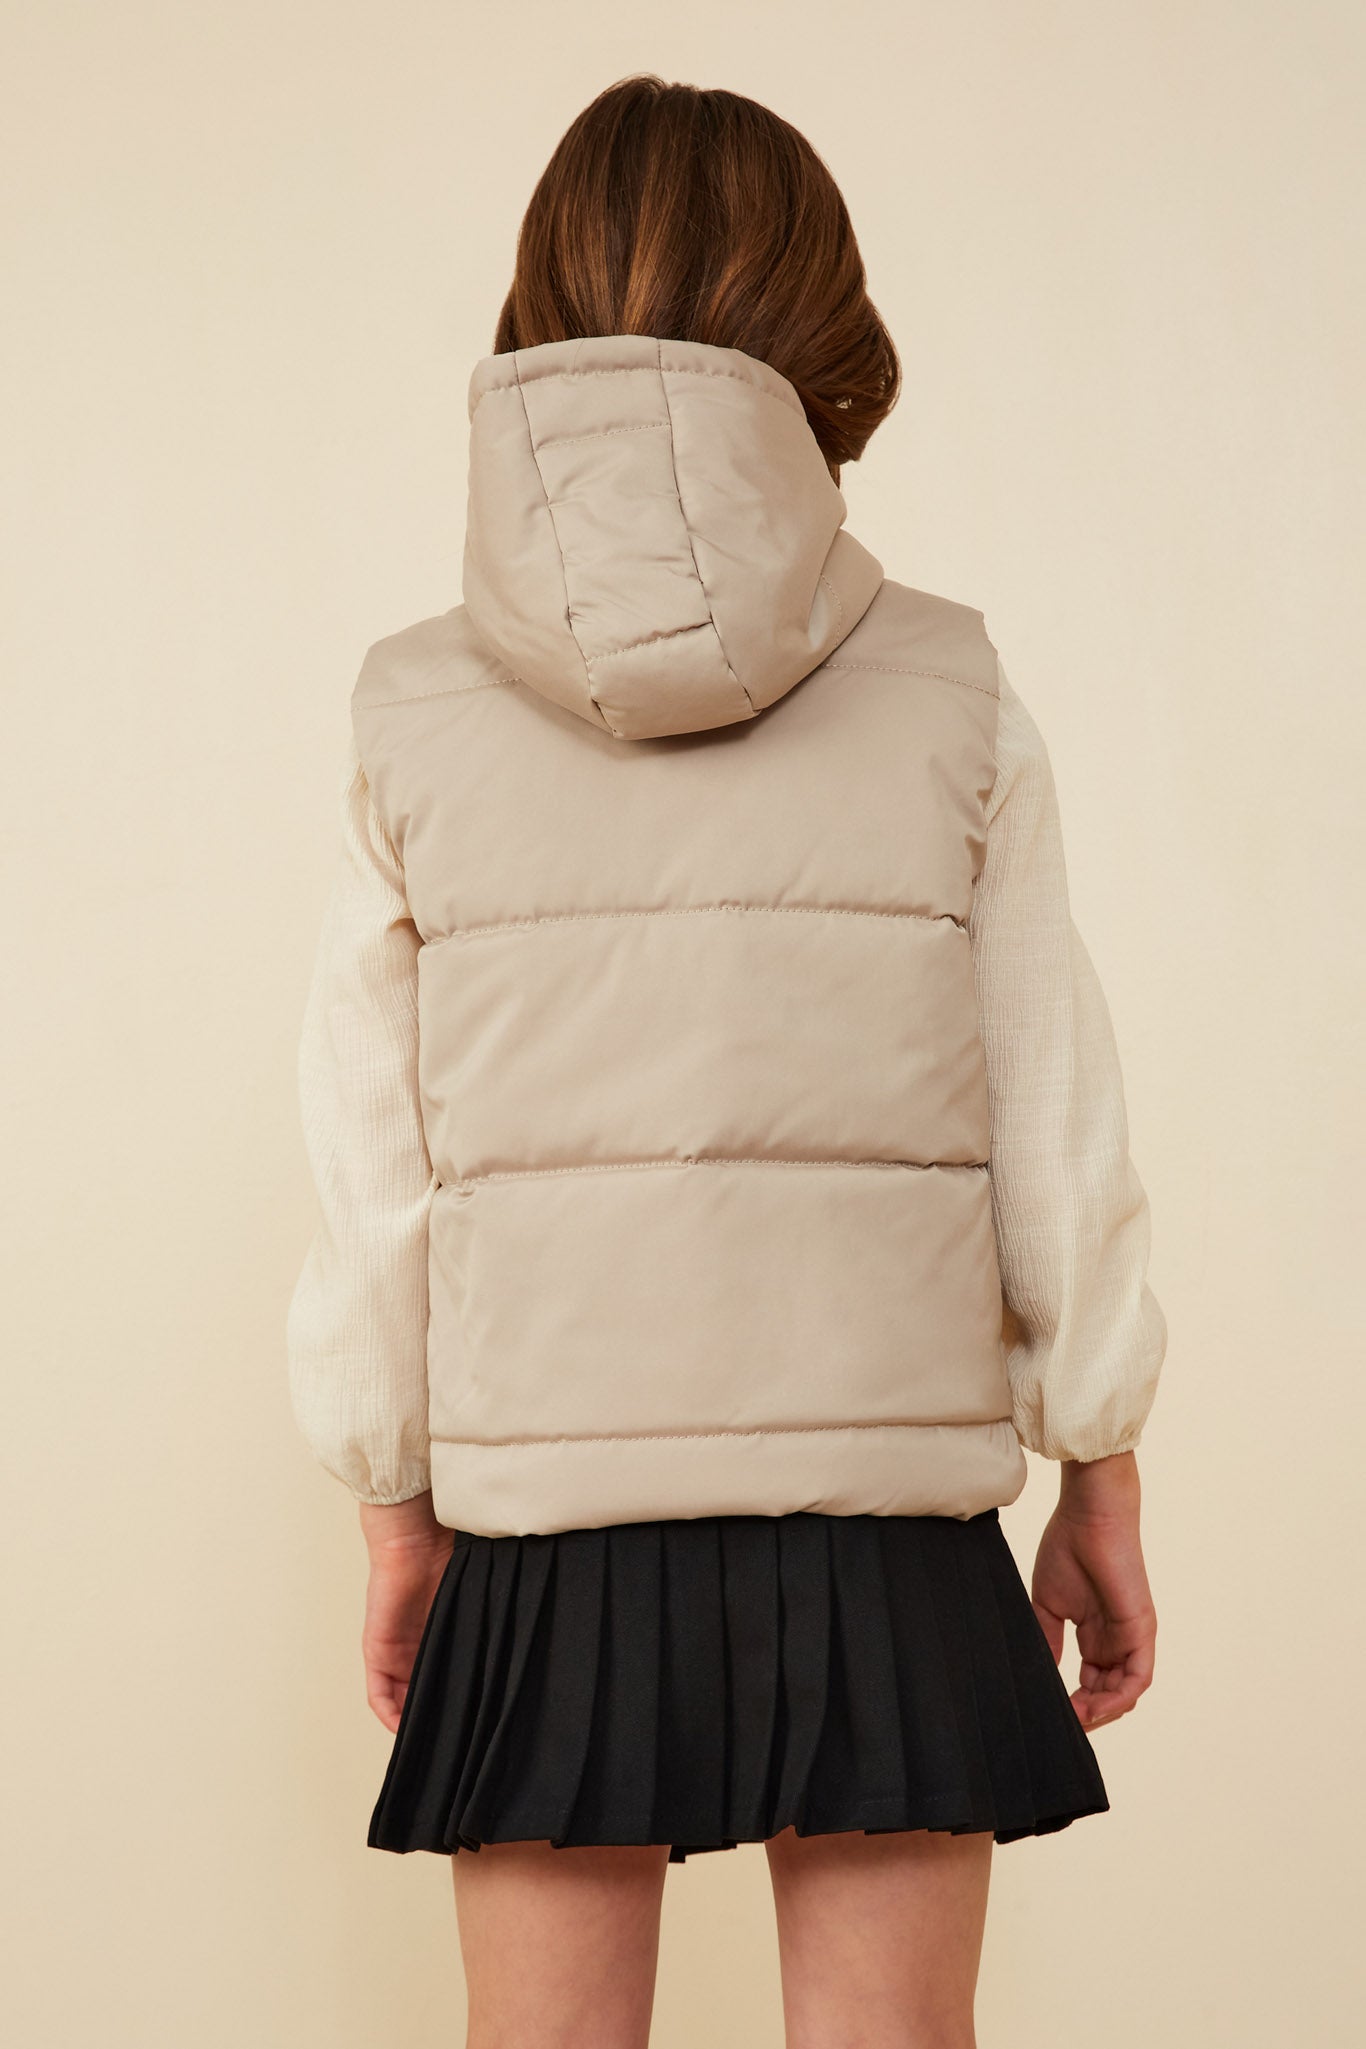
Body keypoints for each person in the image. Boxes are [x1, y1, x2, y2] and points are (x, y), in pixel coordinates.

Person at [286, 73, 1166, 2049]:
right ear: (817, 319)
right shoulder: (953, 684)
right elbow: (1052, 1110)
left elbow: (370, 1167)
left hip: (545, 1528)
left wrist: (391, 1504)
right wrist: (1097, 1455)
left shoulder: (406, 712)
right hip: (887, 1527)